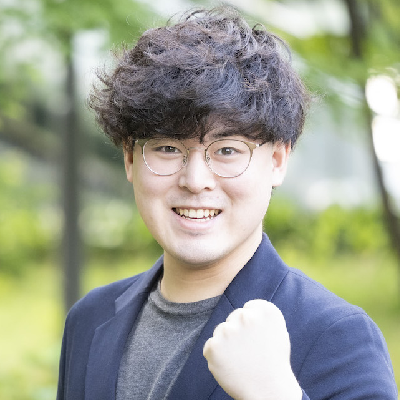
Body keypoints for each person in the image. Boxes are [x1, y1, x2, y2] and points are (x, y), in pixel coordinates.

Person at [57, 6, 398, 400]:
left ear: (277, 161)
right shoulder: (89, 320)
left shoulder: (337, 336)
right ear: (130, 160)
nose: (195, 181)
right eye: (167, 148)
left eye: (227, 150)